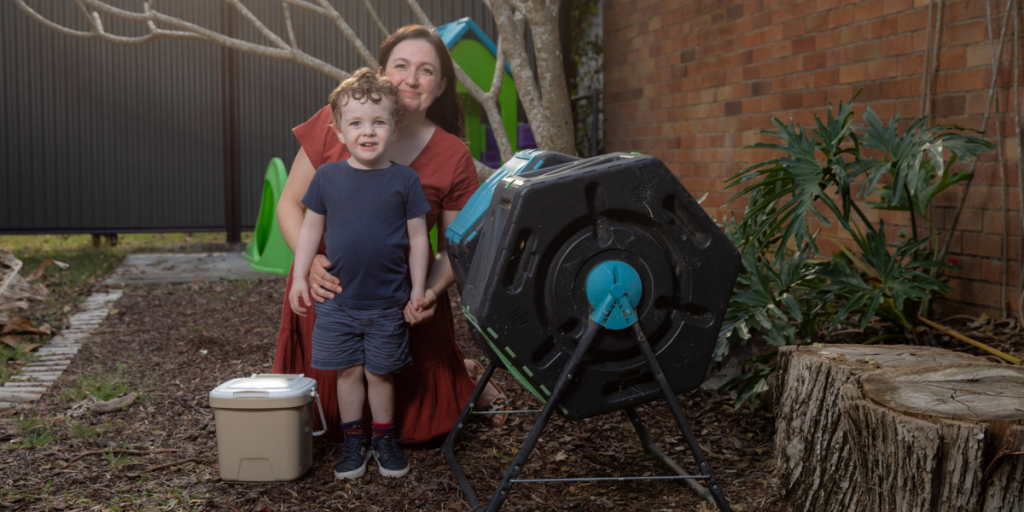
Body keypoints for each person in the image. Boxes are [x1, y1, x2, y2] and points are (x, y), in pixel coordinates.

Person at [273, 25, 507, 449]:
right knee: (322, 430)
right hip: (332, 289)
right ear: (381, 72)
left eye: (426, 71)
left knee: (418, 432)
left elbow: (454, 245)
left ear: (439, 87)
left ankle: (460, 371)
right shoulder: (337, 125)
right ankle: (461, 369)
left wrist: (430, 293)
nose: (411, 79)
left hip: (401, 301)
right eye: (401, 66)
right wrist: (307, 263)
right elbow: (290, 205)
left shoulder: (453, 155)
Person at [288, 69, 429, 479]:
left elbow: (419, 239)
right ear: (338, 129)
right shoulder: (328, 177)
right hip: (338, 303)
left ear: (393, 126)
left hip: (388, 304)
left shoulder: (404, 180)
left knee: (379, 374)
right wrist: (300, 278)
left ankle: (384, 440)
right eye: (356, 123)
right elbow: (311, 229)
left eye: (378, 122)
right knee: (347, 373)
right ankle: (354, 442)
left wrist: (418, 289)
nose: (368, 132)